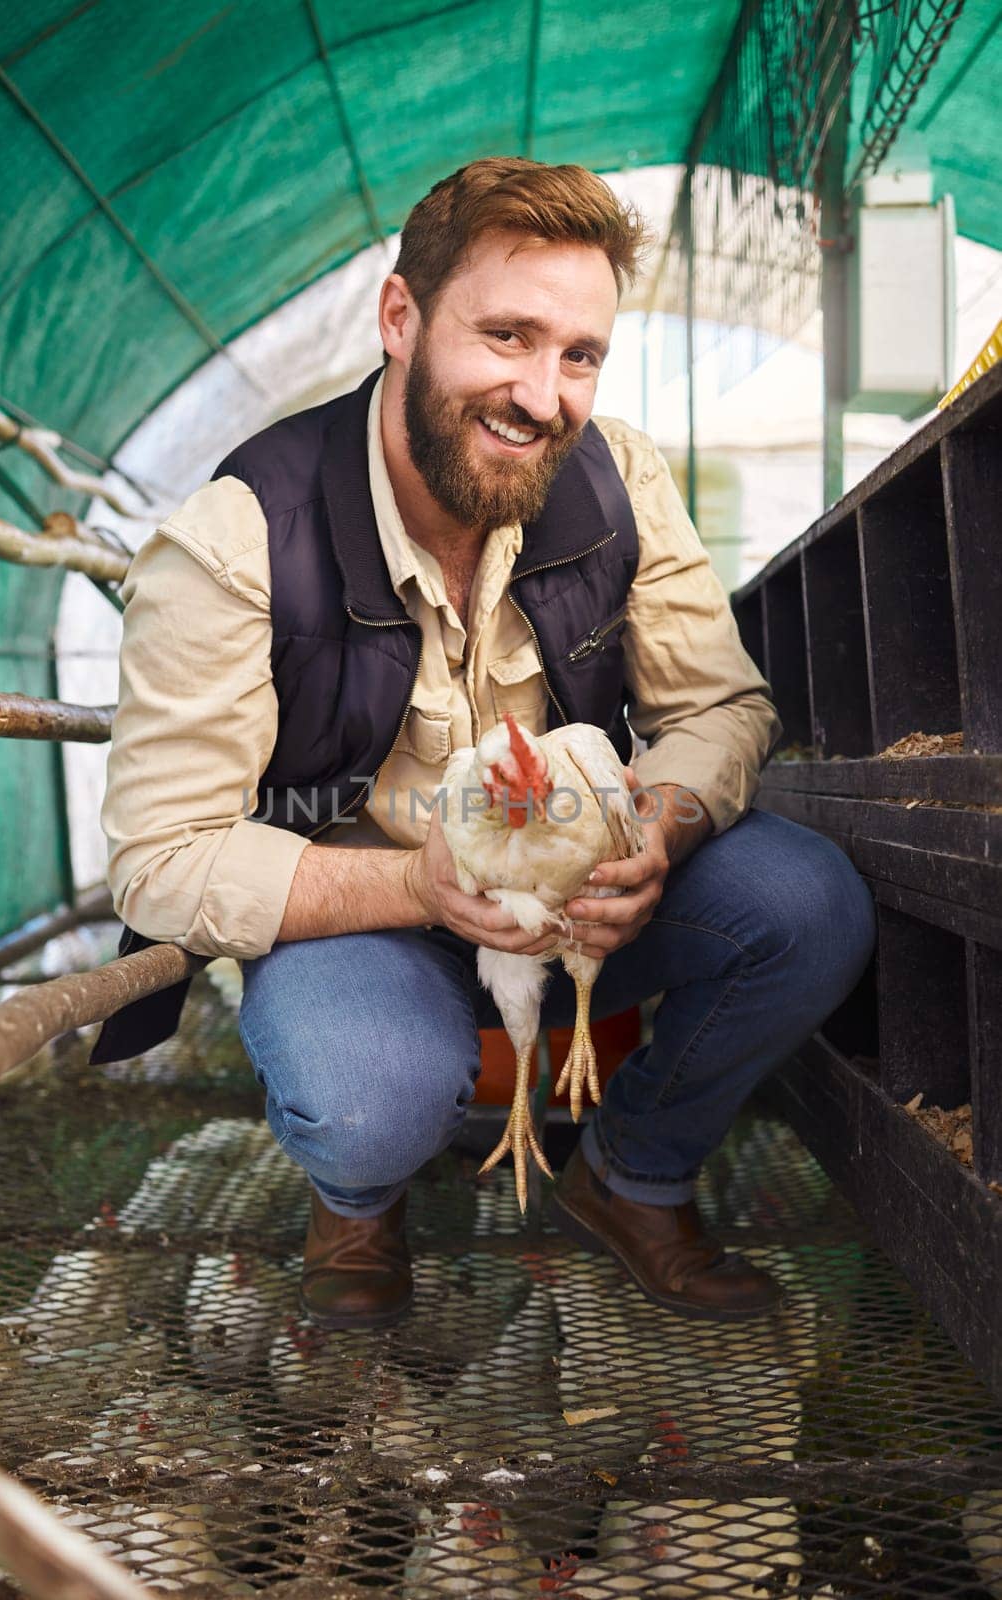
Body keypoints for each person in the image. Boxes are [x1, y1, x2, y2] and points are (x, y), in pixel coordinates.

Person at [98, 157, 877, 1331]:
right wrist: (416, 880)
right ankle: (358, 1196)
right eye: (506, 334)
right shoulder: (237, 540)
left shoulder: (616, 480)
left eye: (578, 354)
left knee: (809, 903)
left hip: (576, 893)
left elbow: (720, 708)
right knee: (364, 1097)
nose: (542, 392)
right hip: (368, 910)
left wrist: (649, 834)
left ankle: (630, 1176)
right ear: (399, 318)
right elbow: (159, 860)